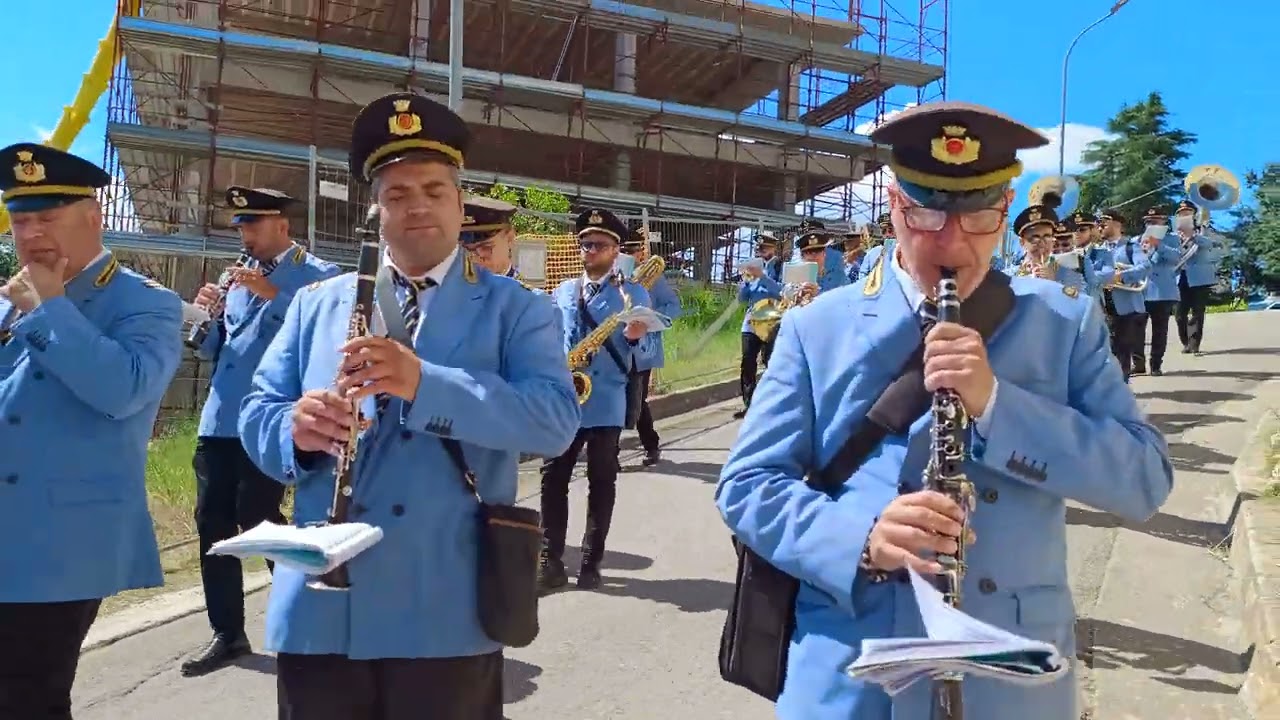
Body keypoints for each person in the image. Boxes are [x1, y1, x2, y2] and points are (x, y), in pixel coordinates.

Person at [715, 101, 1173, 720]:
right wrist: (860, 539)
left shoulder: (1064, 320)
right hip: (853, 675)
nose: (950, 240)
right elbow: (747, 486)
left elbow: (1144, 481)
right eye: (925, 212)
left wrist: (997, 404)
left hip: (1010, 682)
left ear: (1005, 207)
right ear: (893, 206)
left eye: (978, 215)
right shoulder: (816, 325)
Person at [237, 91, 580, 719]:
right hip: (322, 609)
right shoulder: (319, 303)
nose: (416, 206)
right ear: (375, 210)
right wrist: (293, 429)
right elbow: (255, 409)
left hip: (444, 607)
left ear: (458, 201)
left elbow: (555, 421)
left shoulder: (517, 309)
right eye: (397, 194)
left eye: (433, 190)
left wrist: (427, 383)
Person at [0, 143, 184, 719]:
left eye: (47, 216)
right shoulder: (9, 302)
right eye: (19, 218)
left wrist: (50, 305)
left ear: (94, 216)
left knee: (28, 695)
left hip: (65, 539)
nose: (31, 234)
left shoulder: (145, 303)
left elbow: (122, 390)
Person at [181, 186, 340, 677]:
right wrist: (201, 320)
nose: (245, 235)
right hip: (221, 418)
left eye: (253, 224)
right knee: (212, 524)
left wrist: (273, 294)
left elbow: (328, 336)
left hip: (272, 420)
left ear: (282, 226)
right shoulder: (235, 279)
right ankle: (228, 632)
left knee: (259, 517)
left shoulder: (319, 277)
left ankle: (309, 610)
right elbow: (218, 350)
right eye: (241, 227)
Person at [540, 209, 654, 592]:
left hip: (605, 398)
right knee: (552, 477)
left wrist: (638, 336)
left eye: (599, 245)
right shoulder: (564, 290)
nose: (591, 250)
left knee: (601, 480)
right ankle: (550, 558)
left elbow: (651, 348)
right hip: (565, 397)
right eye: (586, 244)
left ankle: (591, 561)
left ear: (615, 249)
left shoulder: (632, 293)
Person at [620, 227, 681, 467]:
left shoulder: (654, 279)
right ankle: (608, 453)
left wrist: (649, 319)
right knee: (614, 398)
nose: (628, 255)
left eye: (632, 251)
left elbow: (673, 306)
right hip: (615, 349)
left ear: (640, 253)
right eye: (623, 251)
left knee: (638, 401)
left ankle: (651, 445)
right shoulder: (611, 278)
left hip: (642, 351)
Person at [734, 231, 783, 419]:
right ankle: (749, 404)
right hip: (751, 323)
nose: (761, 251)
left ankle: (773, 404)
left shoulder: (780, 266)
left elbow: (782, 291)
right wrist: (745, 283)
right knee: (747, 362)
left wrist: (762, 276)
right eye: (759, 248)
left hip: (773, 321)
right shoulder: (751, 271)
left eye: (765, 248)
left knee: (771, 362)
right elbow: (742, 299)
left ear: (773, 248)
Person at [1133, 208, 1181, 377]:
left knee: (1160, 331)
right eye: (1148, 221)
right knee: (1136, 330)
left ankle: (1156, 364)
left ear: (1163, 222)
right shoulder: (1136, 240)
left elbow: (1176, 258)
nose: (1150, 224)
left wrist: (1158, 244)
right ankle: (1138, 363)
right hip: (1141, 291)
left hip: (1163, 291)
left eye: (1154, 221)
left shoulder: (1172, 239)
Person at [1107, 217, 1154, 383]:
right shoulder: (1097, 249)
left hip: (1125, 306)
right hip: (1103, 305)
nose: (1100, 225)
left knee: (1121, 352)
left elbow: (1145, 266)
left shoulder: (1130, 246)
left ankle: (1120, 389)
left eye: (1105, 222)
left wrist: (1121, 276)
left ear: (1118, 224)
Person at [1172, 199, 1217, 355]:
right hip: (1179, 277)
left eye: (1187, 212)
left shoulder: (1203, 229)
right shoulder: (1173, 234)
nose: (1184, 215)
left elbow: (1209, 244)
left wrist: (1193, 236)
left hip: (1200, 277)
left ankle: (1194, 343)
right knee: (1179, 314)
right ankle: (1186, 341)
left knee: (1198, 312)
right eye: (1181, 213)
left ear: (1194, 214)